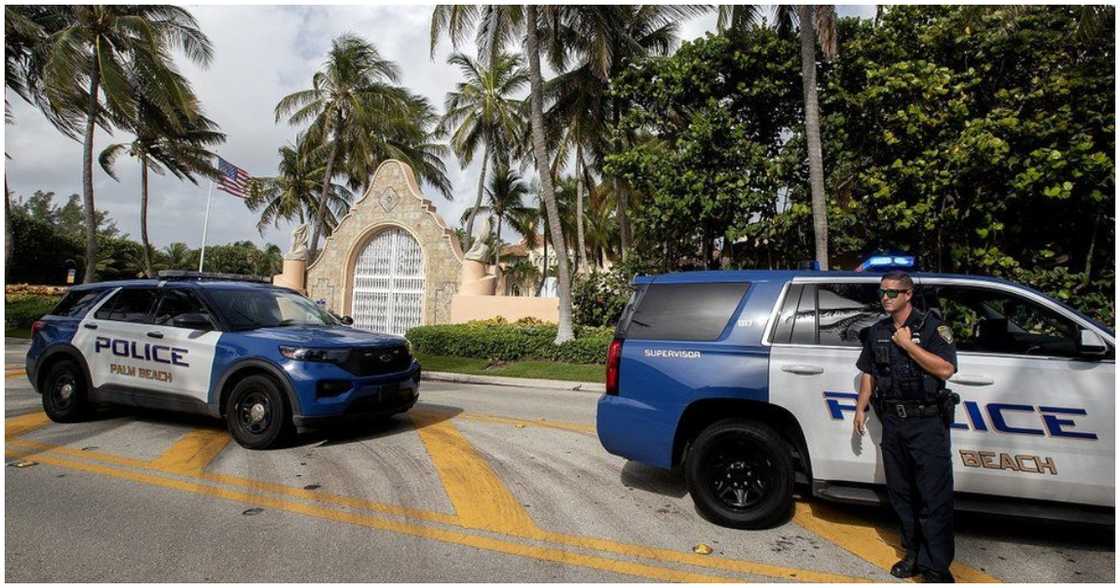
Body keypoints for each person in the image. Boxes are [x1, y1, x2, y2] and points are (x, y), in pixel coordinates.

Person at [854, 270, 959, 583]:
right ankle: (911, 555)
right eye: (883, 292)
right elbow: (869, 372)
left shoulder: (931, 328)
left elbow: (946, 369)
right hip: (893, 423)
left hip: (926, 422)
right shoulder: (877, 331)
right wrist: (861, 408)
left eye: (893, 292)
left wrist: (909, 345)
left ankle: (935, 566)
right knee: (902, 495)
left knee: (934, 496)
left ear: (908, 294)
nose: (886, 298)